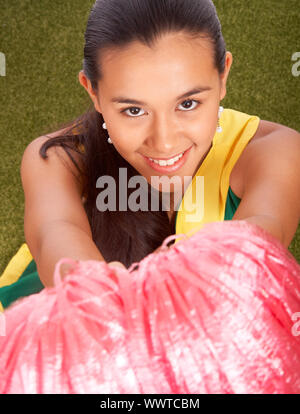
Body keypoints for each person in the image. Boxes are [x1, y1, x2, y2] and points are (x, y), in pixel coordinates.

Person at [0, 0, 299, 311]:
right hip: (73, 328)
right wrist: (92, 288)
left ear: (222, 75)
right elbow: (55, 232)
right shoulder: (58, 157)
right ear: (93, 92)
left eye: (187, 104)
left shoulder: (274, 149)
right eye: (133, 110)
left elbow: (259, 238)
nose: (165, 142)